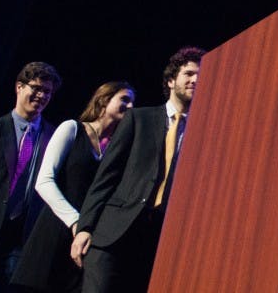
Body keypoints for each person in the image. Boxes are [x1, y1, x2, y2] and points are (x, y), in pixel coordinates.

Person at [70, 46, 204, 293]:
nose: (195, 79)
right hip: (112, 234)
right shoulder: (139, 119)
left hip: (155, 242)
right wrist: (85, 227)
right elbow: (106, 177)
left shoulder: (202, 132)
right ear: (171, 80)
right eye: (188, 73)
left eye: (200, 75)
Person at [10, 81, 135, 293]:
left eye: (132, 102)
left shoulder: (117, 148)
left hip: (85, 241)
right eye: (125, 99)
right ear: (104, 99)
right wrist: (75, 221)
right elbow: (44, 181)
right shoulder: (73, 129)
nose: (131, 106)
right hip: (55, 230)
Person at [0, 62, 61, 293]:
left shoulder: (53, 137)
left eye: (47, 92)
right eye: (36, 88)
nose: (41, 95)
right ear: (19, 87)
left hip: (19, 241)